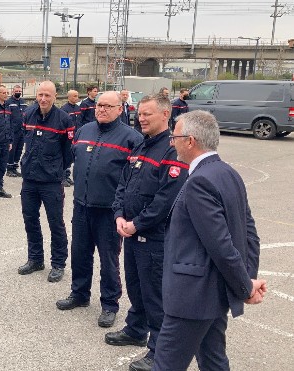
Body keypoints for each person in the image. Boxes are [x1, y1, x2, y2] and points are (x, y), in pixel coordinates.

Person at [153, 110, 266, 371]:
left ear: (190, 141)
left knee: (167, 364)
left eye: (175, 136)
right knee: (213, 361)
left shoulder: (199, 181)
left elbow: (222, 245)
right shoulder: (228, 173)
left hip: (192, 298)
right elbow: (249, 233)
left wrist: (245, 287)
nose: (171, 142)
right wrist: (246, 279)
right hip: (214, 294)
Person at [104, 95, 188, 371]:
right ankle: (135, 330)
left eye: (147, 114)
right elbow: (123, 185)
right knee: (136, 287)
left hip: (154, 238)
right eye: (140, 114)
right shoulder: (140, 145)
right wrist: (118, 215)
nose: (141, 118)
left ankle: (159, 351)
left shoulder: (171, 150)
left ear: (165, 115)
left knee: (155, 295)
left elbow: (166, 200)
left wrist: (137, 223)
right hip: (130, 232)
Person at [56, 91, 143, 328]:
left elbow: (134, 180)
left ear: (119, 109)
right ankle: (80, 294)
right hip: (82, 206)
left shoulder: (132, 139)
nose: (101, 109)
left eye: (107, 106)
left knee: (108, 259)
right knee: (80, 253)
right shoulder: (84, 131)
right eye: (99, 105)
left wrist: (123, 210)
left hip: (109, 211)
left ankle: (109, 304)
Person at [17, 81, 74, 283]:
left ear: (55, 96)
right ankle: (35, 259)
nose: (43, 99)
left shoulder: (64, 120)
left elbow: (69, 153)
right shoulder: (29, 115)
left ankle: (58, 264)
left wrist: (56, 169)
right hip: (30, 180)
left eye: (47, 95)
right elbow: (24, 139)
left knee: (55, 223)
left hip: (51, 181)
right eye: (40, 94)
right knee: (30, 220)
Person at [60, 89, 81, 187]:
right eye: (75, 96)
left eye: (77, 96)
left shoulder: (78, 108)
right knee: (65, 156)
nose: (77, 98)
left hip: (77, 135)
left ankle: (67, 176)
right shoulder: (64, 109)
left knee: (71, 157)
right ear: (69, 97)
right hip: (67, 137)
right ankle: (62, 177)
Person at [6, 84, 27, 178]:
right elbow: (7, 117)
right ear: (12, 92)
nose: (18, 93)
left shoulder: (23, 102)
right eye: (16, 91)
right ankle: (9, 169)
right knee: (12, 150)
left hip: (22, 130)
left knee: (19, 149)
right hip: (13, 130)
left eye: (19, 91)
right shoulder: (8, 102)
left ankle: (15, 166)